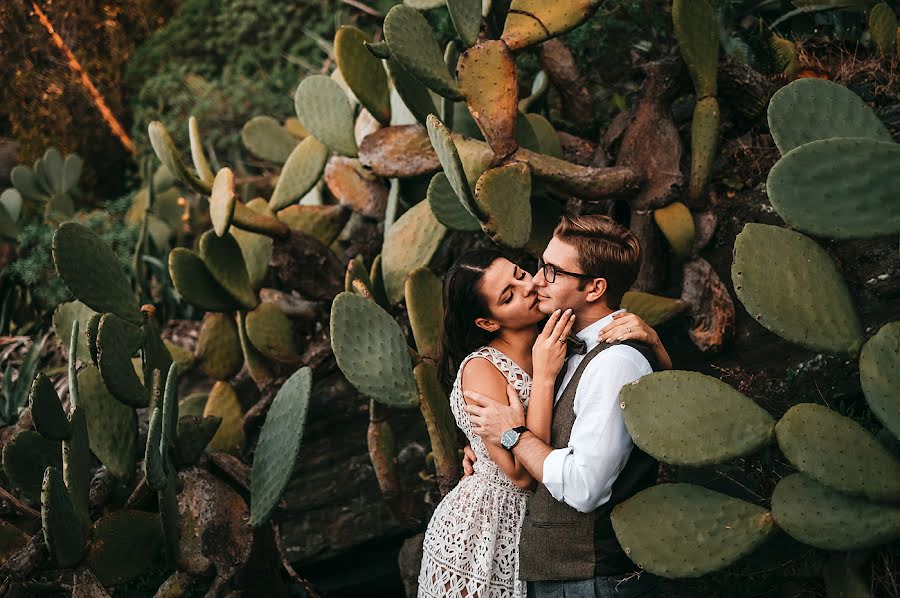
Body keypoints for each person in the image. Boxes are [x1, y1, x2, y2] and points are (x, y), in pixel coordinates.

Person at [418, 217, 671, 598]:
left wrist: (655, 345)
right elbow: (522, 465)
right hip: (488, 536)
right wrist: (483, 451)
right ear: (487, 321)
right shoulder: (554, 348)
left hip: (574, 562)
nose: (534, 281)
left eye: (549, 272)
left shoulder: (586, 353)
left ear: (595, 288)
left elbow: (578, 476)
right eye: (540, 266)